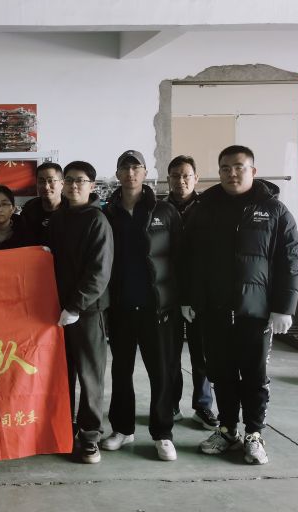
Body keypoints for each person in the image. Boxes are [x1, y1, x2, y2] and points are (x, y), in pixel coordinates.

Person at [184, 145, 298, 465]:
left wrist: (284, 307)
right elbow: (191, 259)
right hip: (215, 309)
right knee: (221, 373)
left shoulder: (274, 210)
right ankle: (226, 430)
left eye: (238, 167)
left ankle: (254, 433)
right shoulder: (205, 208)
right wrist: (189, 299)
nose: (231, 173)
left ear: (253, 170)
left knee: (254, 374)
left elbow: (291, 260)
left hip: (256, 311)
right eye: (225, 168)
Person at [101, 150, 181, 462]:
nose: (130, 173)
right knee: (121, 371)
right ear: (117, 174)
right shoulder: (108, 212)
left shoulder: (164, 211)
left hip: (156, 308)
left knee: (161, 373)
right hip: (121, 306)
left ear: (145, 172)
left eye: (136, 167)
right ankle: (122, 429)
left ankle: (163, 433)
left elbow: (181, 257)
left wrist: (180, 300)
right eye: (125, 168)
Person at [48, 161, 113, 465]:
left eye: (81, 181)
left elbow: (99, 272)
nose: (74, 186)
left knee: (89, 377)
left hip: (86, 312)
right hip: (56, 311)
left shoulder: (97, 220)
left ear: (92, 186)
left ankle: (90, 436)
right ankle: (64, 429)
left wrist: (76, 305)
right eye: (69, 180)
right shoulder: (58, 218)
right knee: (61, 376)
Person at [165, 155, 218, 430]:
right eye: (175, 176)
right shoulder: (159, 210)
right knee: (170, 354)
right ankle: (171, 404)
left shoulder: (209, 209)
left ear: (196, 178)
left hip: (201, 294)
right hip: (168, 293)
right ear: (168, 179)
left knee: (202, 354)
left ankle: (203, 406)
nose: (181, 181)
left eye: (186, 175)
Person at [21, 162, 67, 247]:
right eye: (41, 181)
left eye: (51, 181)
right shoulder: (29, 209)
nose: (46, 186)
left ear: (62, 184)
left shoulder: (72, 209)